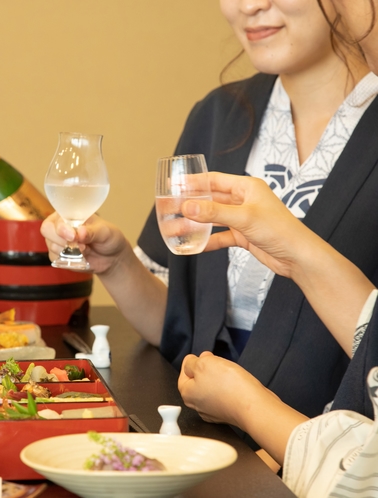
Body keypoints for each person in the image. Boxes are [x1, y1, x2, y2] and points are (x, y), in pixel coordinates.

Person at [42, 0, 378, 428]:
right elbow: (184, 327)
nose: (249, 6)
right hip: (203, 447)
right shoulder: (219, 115)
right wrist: (117, 264)